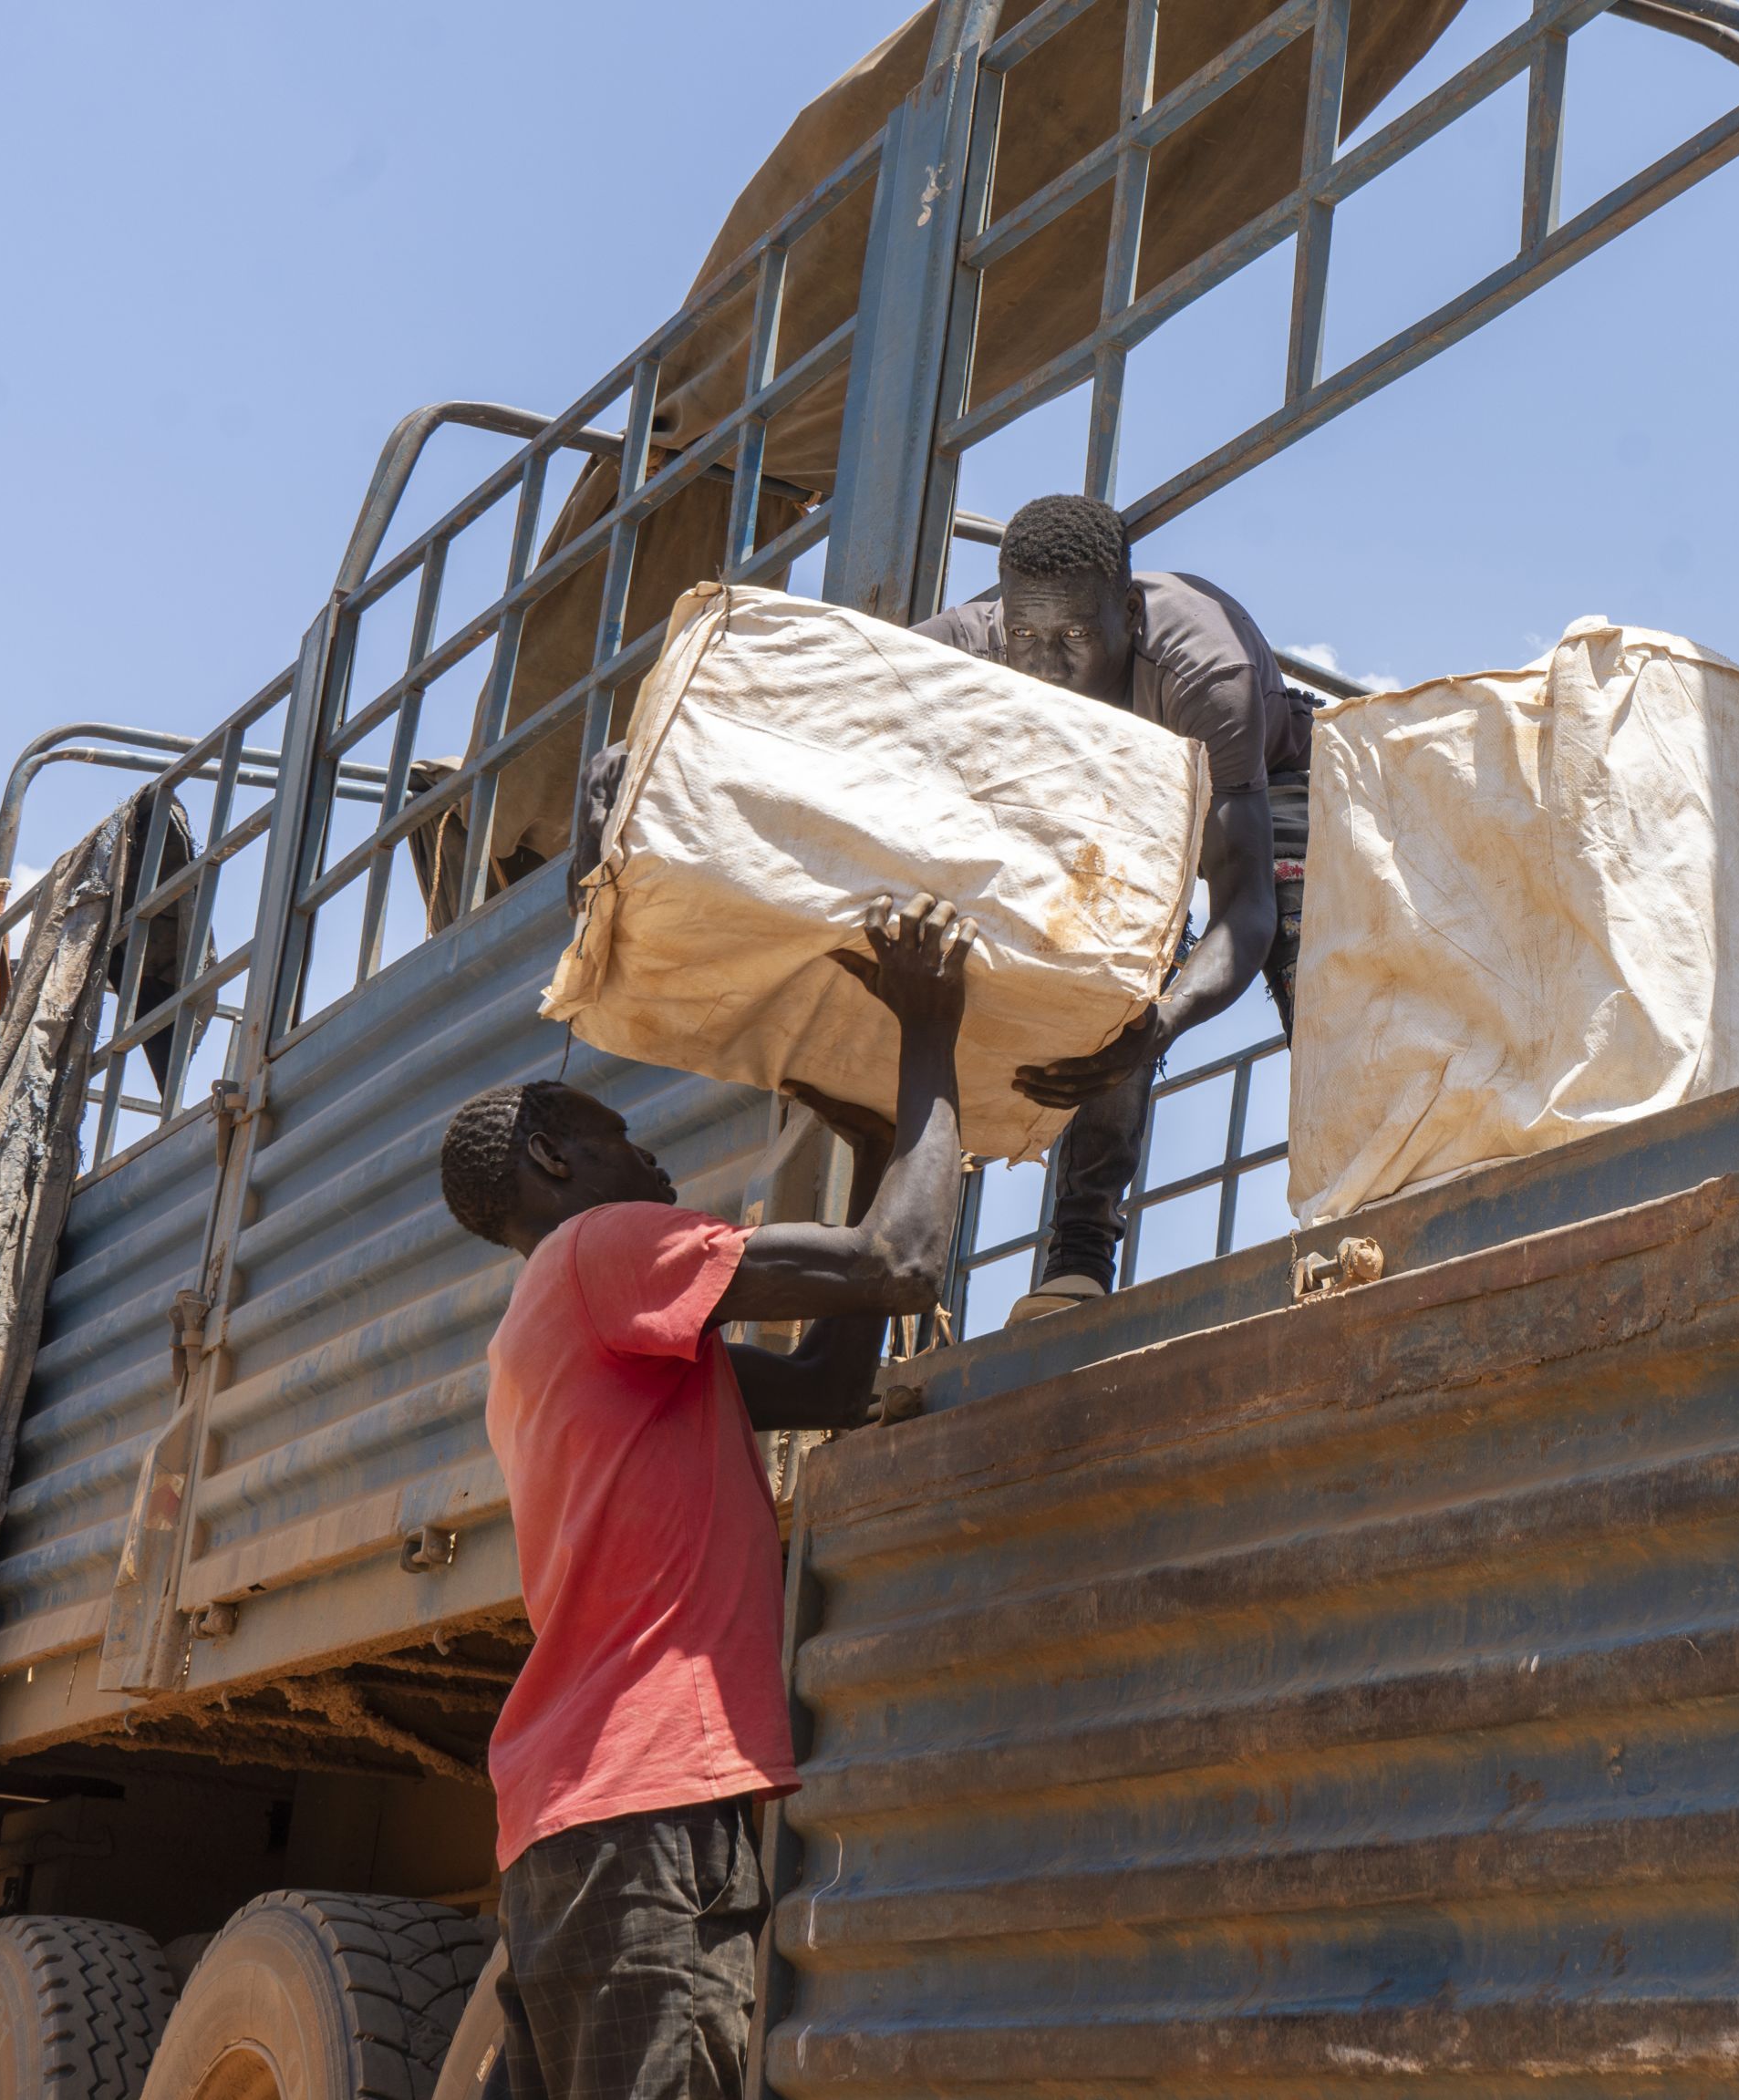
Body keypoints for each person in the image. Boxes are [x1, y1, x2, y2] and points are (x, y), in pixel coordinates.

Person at [433, 894, 972, 2100]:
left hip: (574, 1817)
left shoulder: (553, 1331)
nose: (656, 1159)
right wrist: (933, 1035)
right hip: (641, 1808)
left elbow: (831, 1382)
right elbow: (900, 1267)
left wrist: (887, 1126)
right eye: (623, 1137)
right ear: (553, 1159)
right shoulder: (603, 1246)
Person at [914, 492, 1301, 1322]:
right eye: (1026, 636)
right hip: (1112, 801)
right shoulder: (979, 643)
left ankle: (1356, 1190)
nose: (1045, 667)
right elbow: (824, 683)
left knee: (1305, 951)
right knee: (1109, 953)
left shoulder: (1207, 675)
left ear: (1128, 613)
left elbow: (1246, 912)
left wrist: (1157, 1024)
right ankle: (1079, 1261)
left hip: (1260, 781)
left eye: (1077, 640)